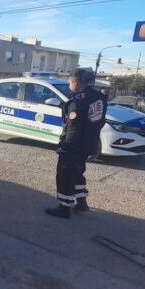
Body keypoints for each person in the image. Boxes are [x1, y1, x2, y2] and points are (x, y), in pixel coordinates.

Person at [45, 69, 107, 219]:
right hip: (88, 144)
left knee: (65, 175)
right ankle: (82, 203)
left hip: (73, 146)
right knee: (78, 172)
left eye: (70, 82)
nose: (69, 85)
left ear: (77, 82)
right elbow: (100, 121)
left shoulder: (77, 102)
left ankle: (64, 208)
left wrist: (65, 146)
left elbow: (72, 128)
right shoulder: (99, 98)